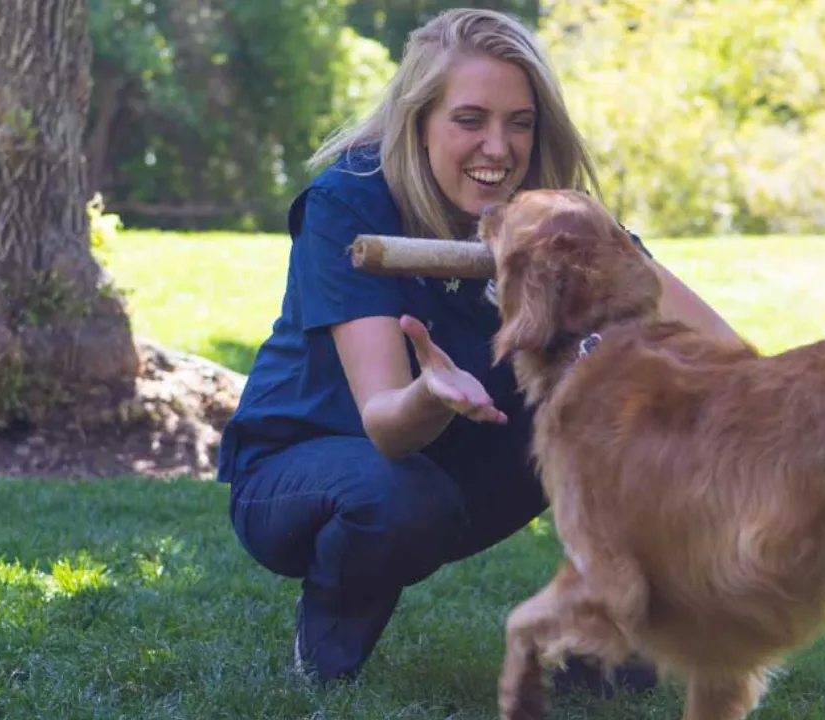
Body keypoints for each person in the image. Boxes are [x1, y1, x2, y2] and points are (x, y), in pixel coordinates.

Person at [217, 6, 738, 693]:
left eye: (519, 122)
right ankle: (326, 650)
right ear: (419, 120)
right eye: (470, 120)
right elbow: (384, 424)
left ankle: (593, 639)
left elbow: (724, 354)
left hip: (462, 462)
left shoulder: (554, 218)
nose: (499, 147)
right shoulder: (348, 205)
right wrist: (430, 395)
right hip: (312, 472)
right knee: (396, 495)